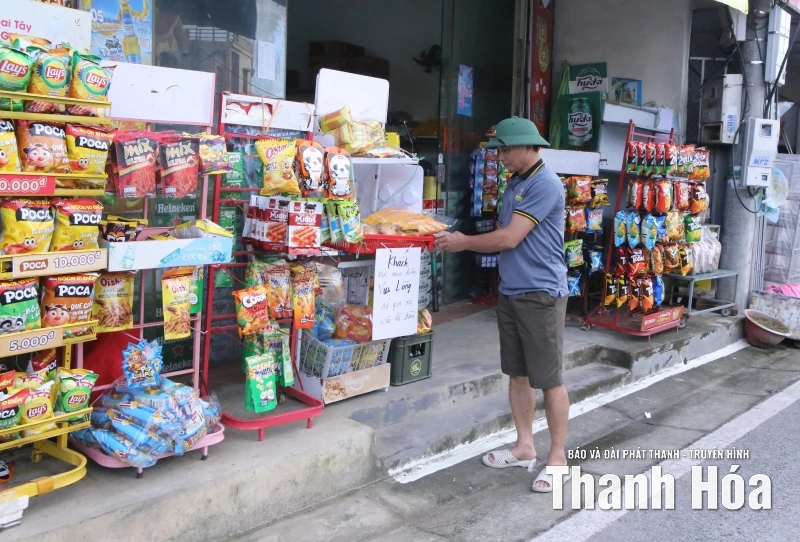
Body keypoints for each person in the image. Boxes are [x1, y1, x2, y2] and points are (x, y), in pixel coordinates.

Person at [433, 117, 569, 492]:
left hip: (541, 294)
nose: (501, 157)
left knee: (551, 380)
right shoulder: (517, 182)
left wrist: (462, 242)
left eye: (506, 149)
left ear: (529, 147)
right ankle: (525, 446)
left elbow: (509, 238)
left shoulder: (544, 184)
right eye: (499, 150)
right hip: (512, 291)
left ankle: (557, 458)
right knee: (517, 373)